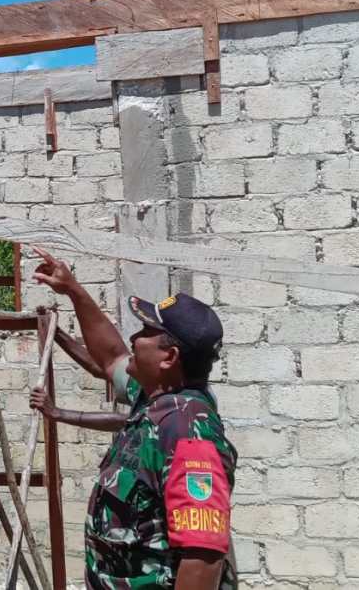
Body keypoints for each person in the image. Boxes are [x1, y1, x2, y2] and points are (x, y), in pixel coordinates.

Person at [32, 247, 238, 590]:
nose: (133, 338)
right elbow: (110, 356)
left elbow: (202, 558)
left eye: (145, 331)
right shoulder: (156, 398)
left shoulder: (189, 431)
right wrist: (73, 290)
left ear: (169, 357)